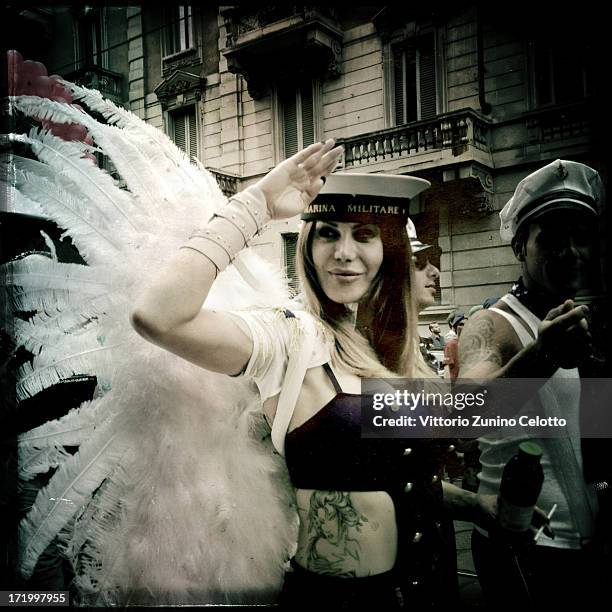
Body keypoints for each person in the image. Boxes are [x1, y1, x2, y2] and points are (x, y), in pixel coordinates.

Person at [130, 146, 502, 608]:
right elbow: (158, 317)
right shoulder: (289, 336)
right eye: (328, 234)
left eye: (363, 235)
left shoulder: (397, 357)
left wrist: (479, 507)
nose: (344, 253)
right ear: (308, 248)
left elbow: (399, 478)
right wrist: (259, 204)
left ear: (389, 250)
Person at [458, 159, 605, 607]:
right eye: (553, 239)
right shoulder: (493, 322)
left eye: (582, 237)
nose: (571, 252)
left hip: (586, 547)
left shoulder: (580, 320)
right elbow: (465, 413)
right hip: (525, 550)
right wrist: (542, 355)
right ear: (521, 247)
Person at [443, 313, 466, 381]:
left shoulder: (473, 343)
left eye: (467, 324)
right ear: (455, 327)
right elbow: (447, 368)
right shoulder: (451, 345)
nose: (465, 326)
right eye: (461, 324)